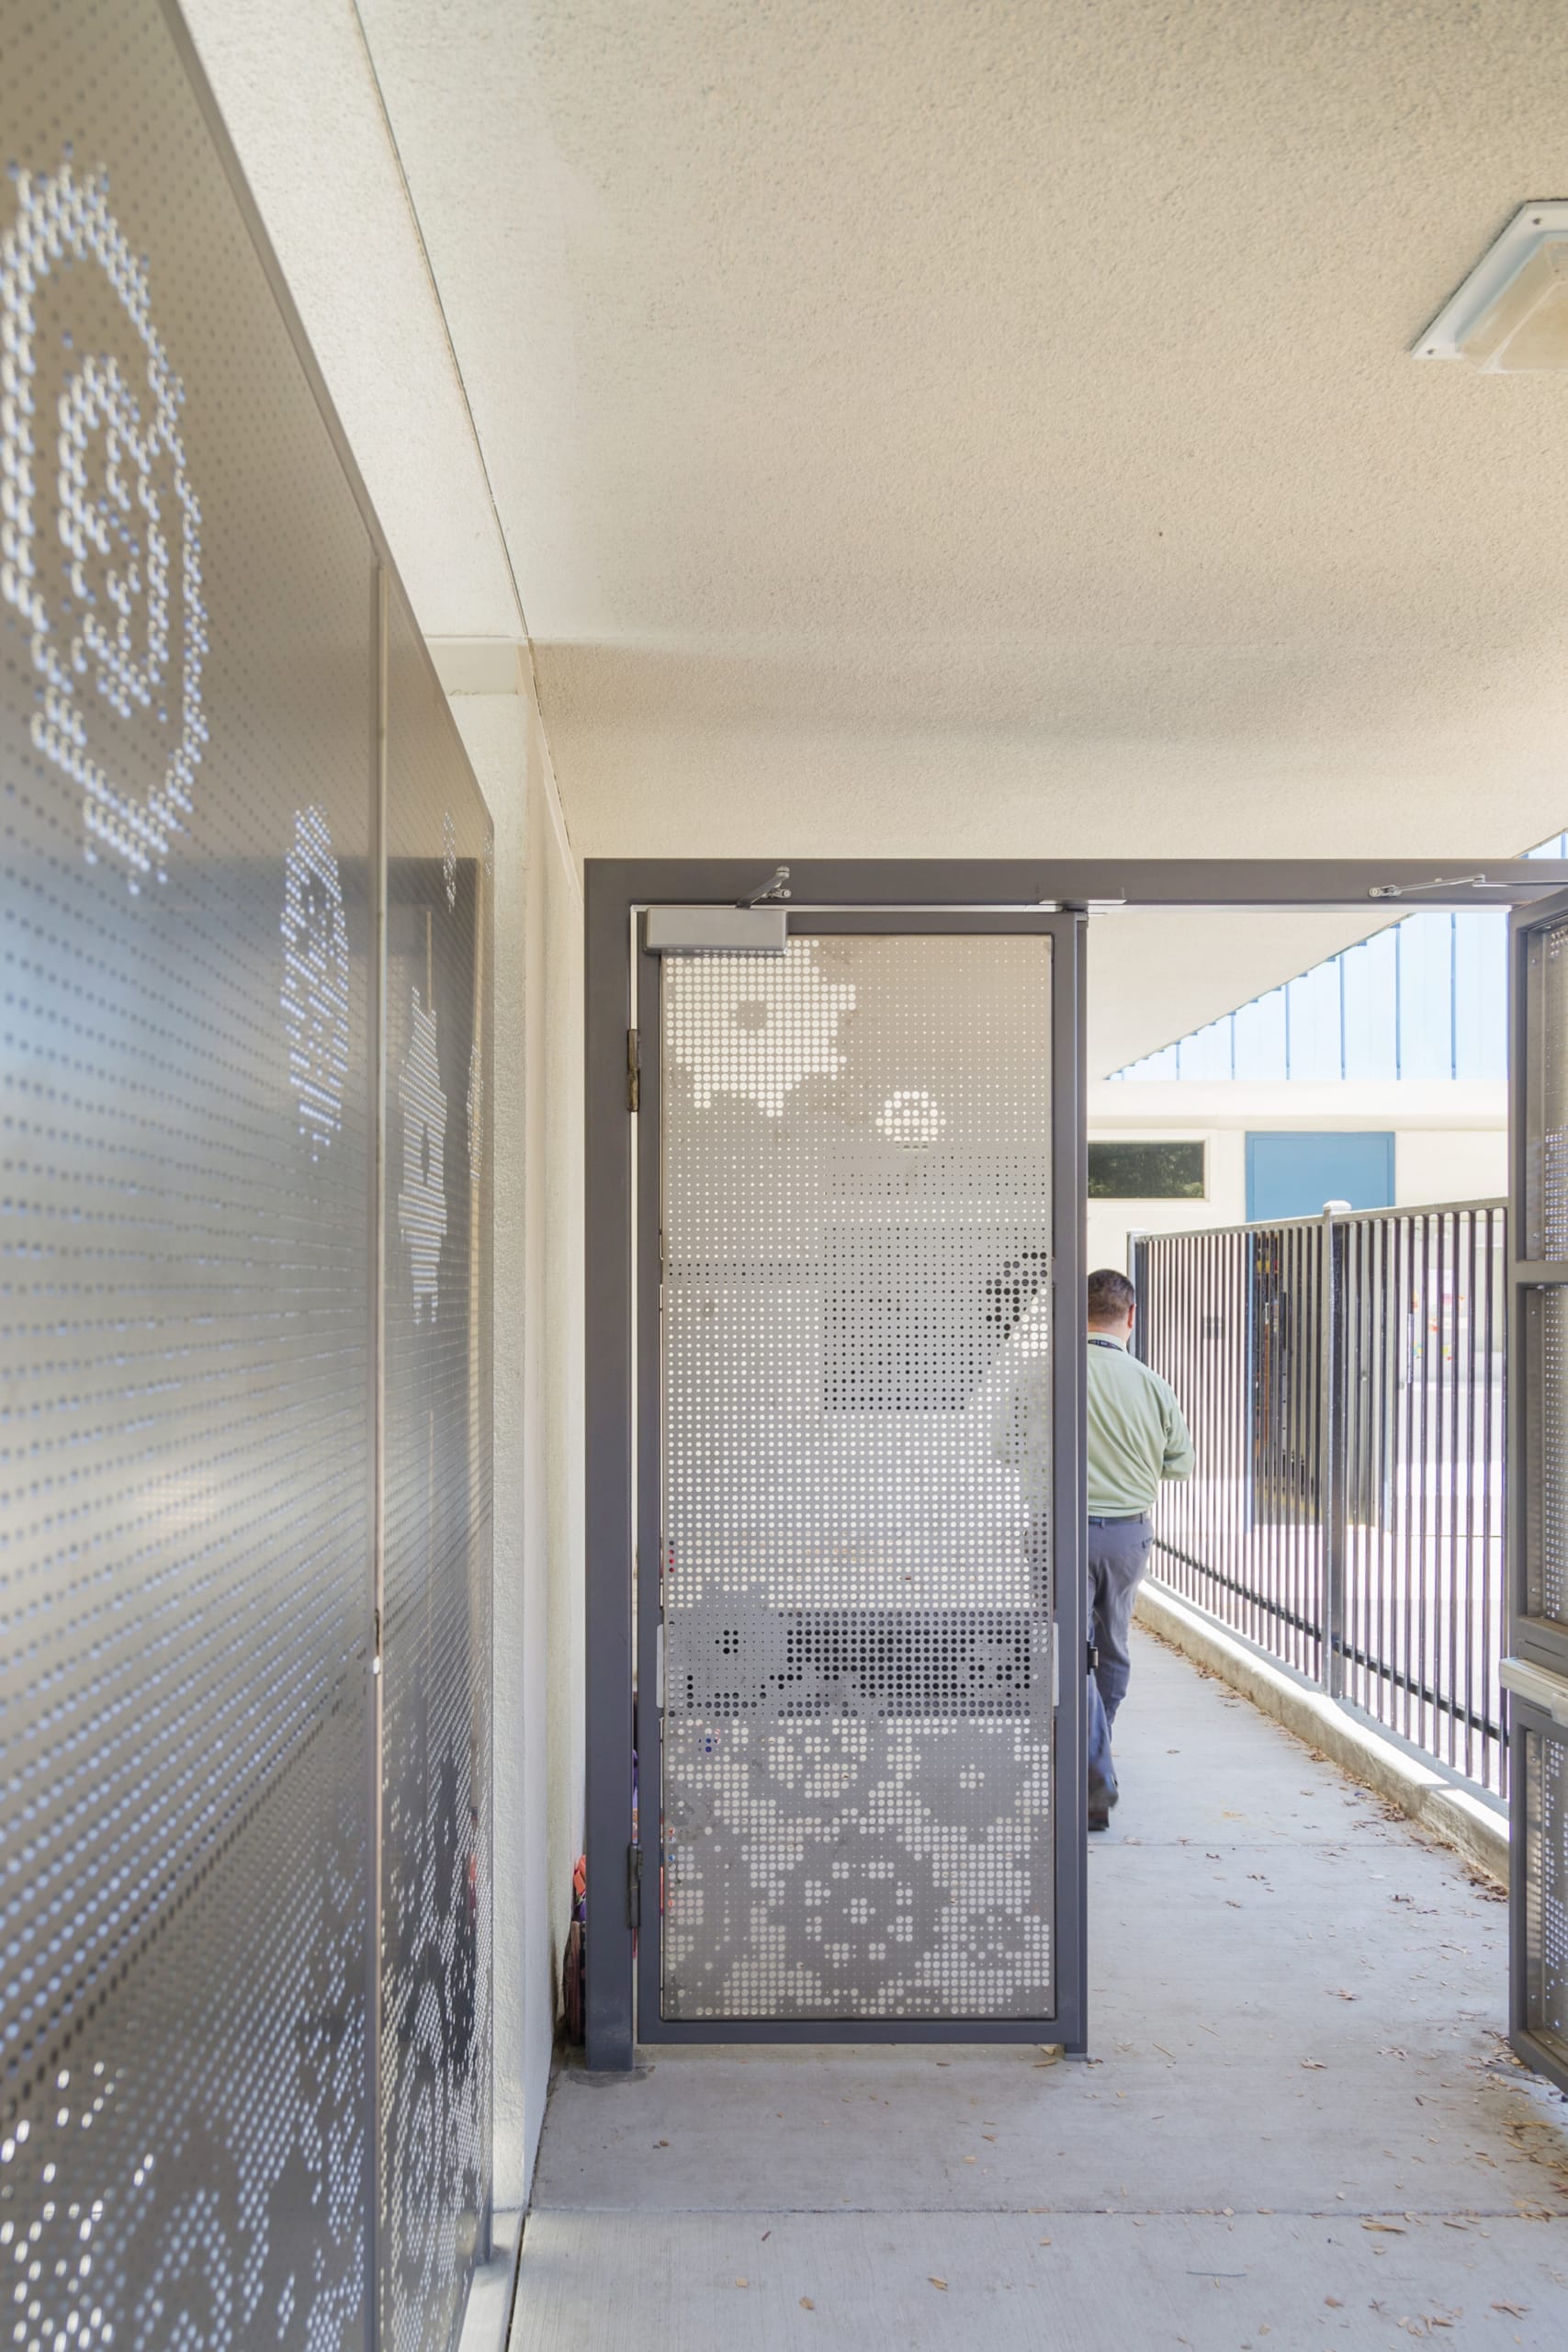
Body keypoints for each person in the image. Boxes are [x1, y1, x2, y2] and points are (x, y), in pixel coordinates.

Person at [994, 1266, 1194, 1832]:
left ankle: (1084, 1765)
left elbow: (1008, 1451)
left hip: (1057, 1531)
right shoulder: (1151, 1383)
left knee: (1065, 1647)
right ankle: (1094, 1764)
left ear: (1073, 1313)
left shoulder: (1041, 1376)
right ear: (1130, 1316)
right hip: (1125, 1534)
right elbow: (1181, 1464)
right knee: (1113, 1646)